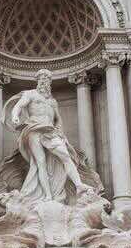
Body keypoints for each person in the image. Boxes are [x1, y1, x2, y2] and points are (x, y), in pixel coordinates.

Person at [6, 69, 92, 203]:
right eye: (42, 79)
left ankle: (79, 185)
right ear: (38, 81)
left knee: (66, 156)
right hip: (34, 129)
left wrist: (61, 133)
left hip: (51, 131)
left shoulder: (52, 101)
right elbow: (18, 106)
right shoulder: (31, 94)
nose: (44, 82)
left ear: (49, 83)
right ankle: (48, 196)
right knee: (41, 162)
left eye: (47, 80)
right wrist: (15, 116)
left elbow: (58, 119)